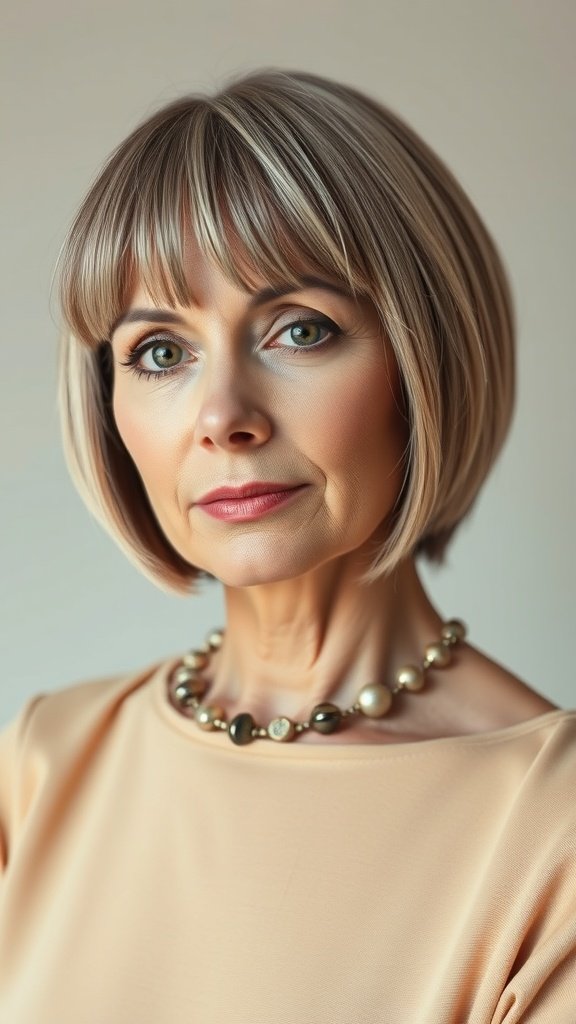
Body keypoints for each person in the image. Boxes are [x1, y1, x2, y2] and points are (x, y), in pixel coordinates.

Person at [0, 68, 574, 1023]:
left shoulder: (546, 833)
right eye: (160, 352)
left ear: (423, 355)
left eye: (300, 330)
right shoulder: (44, 762)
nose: (224, 416)